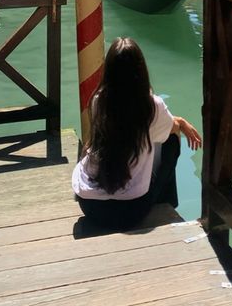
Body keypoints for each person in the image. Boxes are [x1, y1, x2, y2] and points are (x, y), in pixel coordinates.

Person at [72, 37, 202, 231]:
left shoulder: (98, 101)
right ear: (141, 71)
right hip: (131, 211)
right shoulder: (153, 106)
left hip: (90, 206)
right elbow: (171, 129)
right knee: (171, 140)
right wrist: (181, 122)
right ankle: (166, 202)